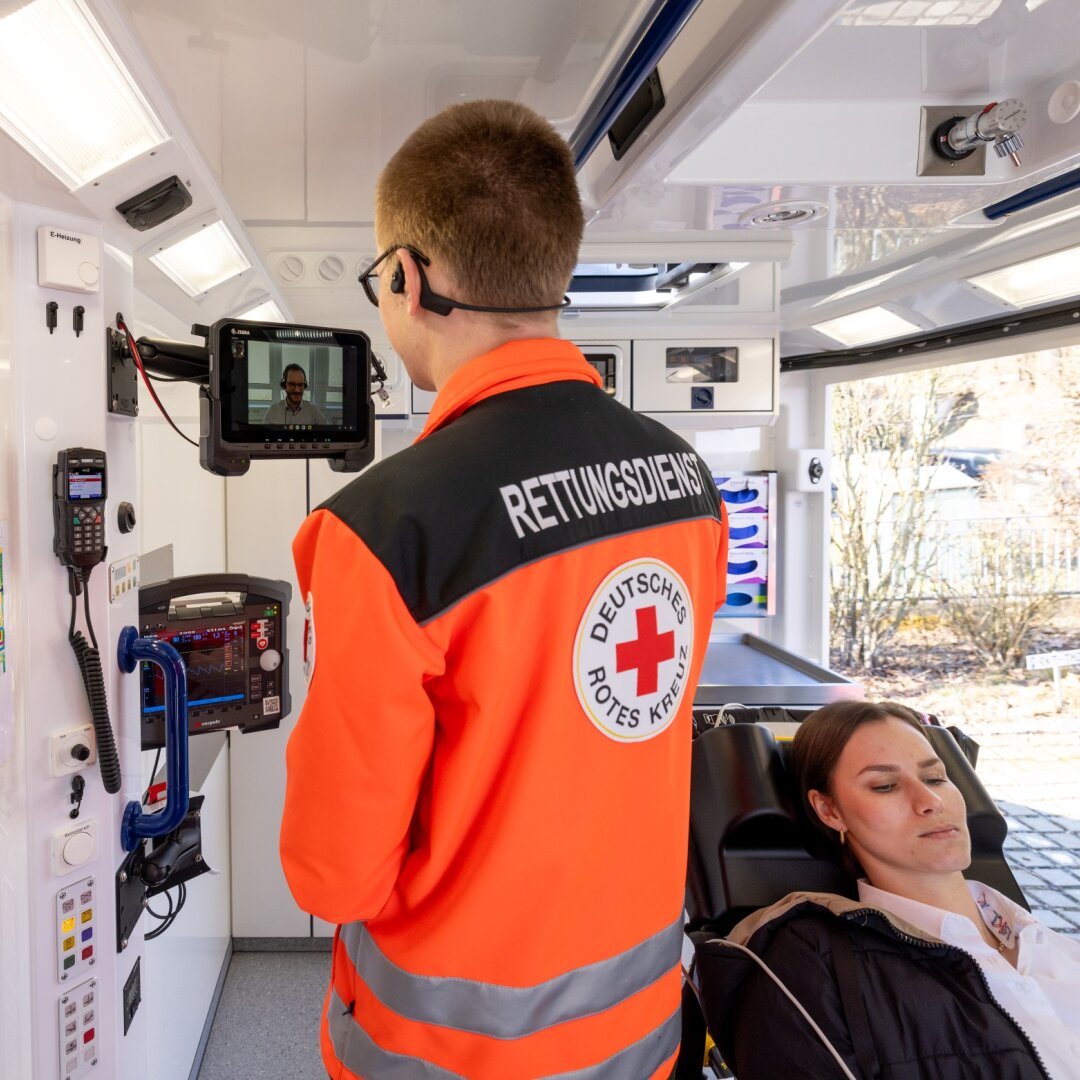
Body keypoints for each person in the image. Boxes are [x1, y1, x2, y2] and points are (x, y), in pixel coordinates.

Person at [278, 100, 729, 1080]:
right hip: (642, 1032)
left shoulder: (383, 529)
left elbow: (333, 871)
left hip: (448, 1052)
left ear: (407, 278)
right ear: (553, 272)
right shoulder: (684, 482)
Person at [694, 701, 1080, 1080]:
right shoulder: (812, 968)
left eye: (935, 778)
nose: (930, 801)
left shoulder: (1054, 947)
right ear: (830, 811)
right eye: (885, 786)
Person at [262, 363, 327, 425]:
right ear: (284, 385)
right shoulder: (273, 411)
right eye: (292, 384)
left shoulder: (313, 411)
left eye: (300, 385)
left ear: (305, 386)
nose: (297, 390)